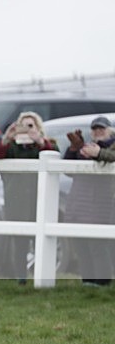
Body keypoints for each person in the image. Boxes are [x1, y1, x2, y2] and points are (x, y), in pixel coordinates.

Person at [0, 111, 58, 283]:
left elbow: (54, 157)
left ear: (38, 127)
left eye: (31, 125)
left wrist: (39, 141)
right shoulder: (13, 147)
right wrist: (7, 138)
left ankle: (42, 277)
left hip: (40, 200)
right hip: (18, 201)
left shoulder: (47, 144)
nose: (26, 129)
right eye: (22, 125)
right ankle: (21, 279)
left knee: (41, 242)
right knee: (20, 242)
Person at [63, 116, 115, 286]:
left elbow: (110, 157)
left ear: (110, 131)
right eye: (95, 129)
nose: (98, 132)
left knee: (98, 245)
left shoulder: (110, 147)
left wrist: (98, 153)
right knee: (81, 245)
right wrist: (73, 149)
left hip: (102, 203)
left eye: (102, 129)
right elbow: (67, 170)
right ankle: (87, 282)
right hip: (79, 202)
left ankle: (102, 282)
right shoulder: (85, 148)